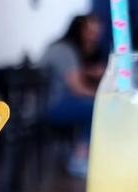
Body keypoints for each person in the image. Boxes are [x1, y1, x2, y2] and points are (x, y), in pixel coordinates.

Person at [40, 14, 106, 178]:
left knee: (92, 105)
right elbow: (77, 88)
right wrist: (103, 96)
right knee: (96, 107)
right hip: (51, 106)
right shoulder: (65, 51)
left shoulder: (64, 48)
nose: (94, 38)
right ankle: (79, 158)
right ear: (78, 31)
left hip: (48, 103)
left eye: (97, 34)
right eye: (90, 33)